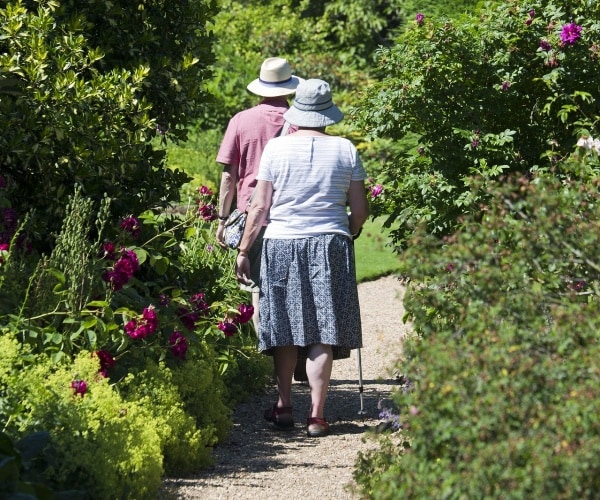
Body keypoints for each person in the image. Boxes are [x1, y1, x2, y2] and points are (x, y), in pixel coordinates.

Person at [234, 79, 369, 438]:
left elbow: (260, 206)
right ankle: (317, 414)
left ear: (298, 111)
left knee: (284, 327)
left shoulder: (276, 150)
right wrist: (349, 231)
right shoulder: (346, 150)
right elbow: (359, 209)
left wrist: (244, 249)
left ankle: (284, 406)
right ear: (327, 113)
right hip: (330, 244)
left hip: (281, 244)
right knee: (323, 328)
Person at [215, 57, 303, 332]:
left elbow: (229, 175)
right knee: (292, 290)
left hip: (252, 216)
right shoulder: (300, 124)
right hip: (290, 216)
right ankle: (295, 358)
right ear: (288, 89)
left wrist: (222, 218)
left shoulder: (241, 121)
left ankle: (267, 361)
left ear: (260, 88)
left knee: (260, 292)